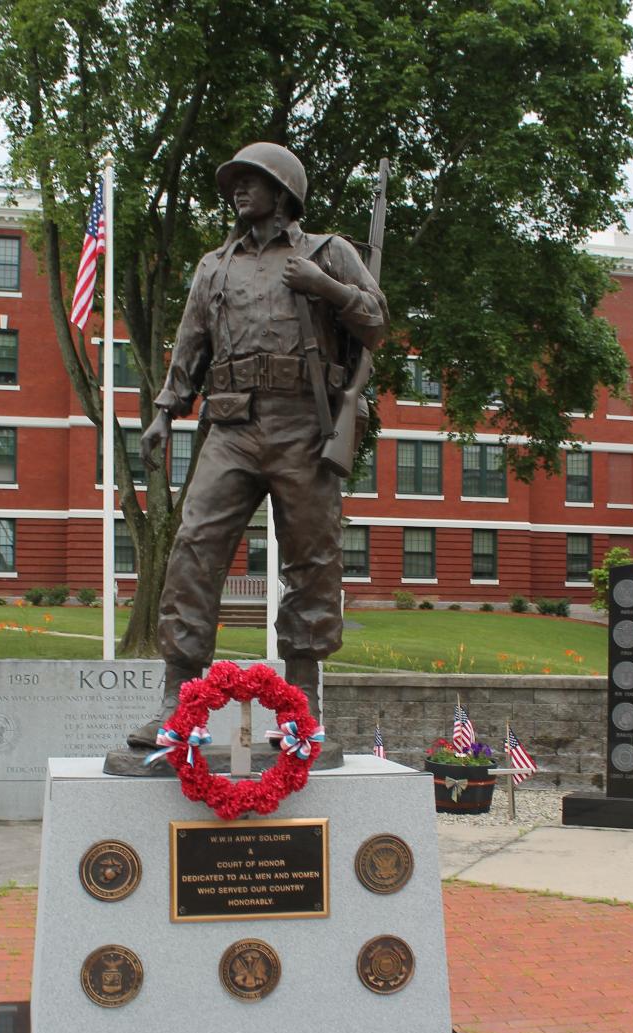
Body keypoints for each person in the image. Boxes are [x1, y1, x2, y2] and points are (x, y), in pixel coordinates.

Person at [127, 142, 388, 747]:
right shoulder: (213, 267)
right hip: (231, 425)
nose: (239, 190)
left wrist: (326, 286)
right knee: (193, 549)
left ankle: (301, 708)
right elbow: (190, 344)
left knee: (312, 561)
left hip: (304, 423)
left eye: (252, 180)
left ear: (284, 191)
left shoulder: (330, 252)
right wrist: (166, 411)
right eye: (235, 181)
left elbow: (376, 321)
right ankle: (177, 705)